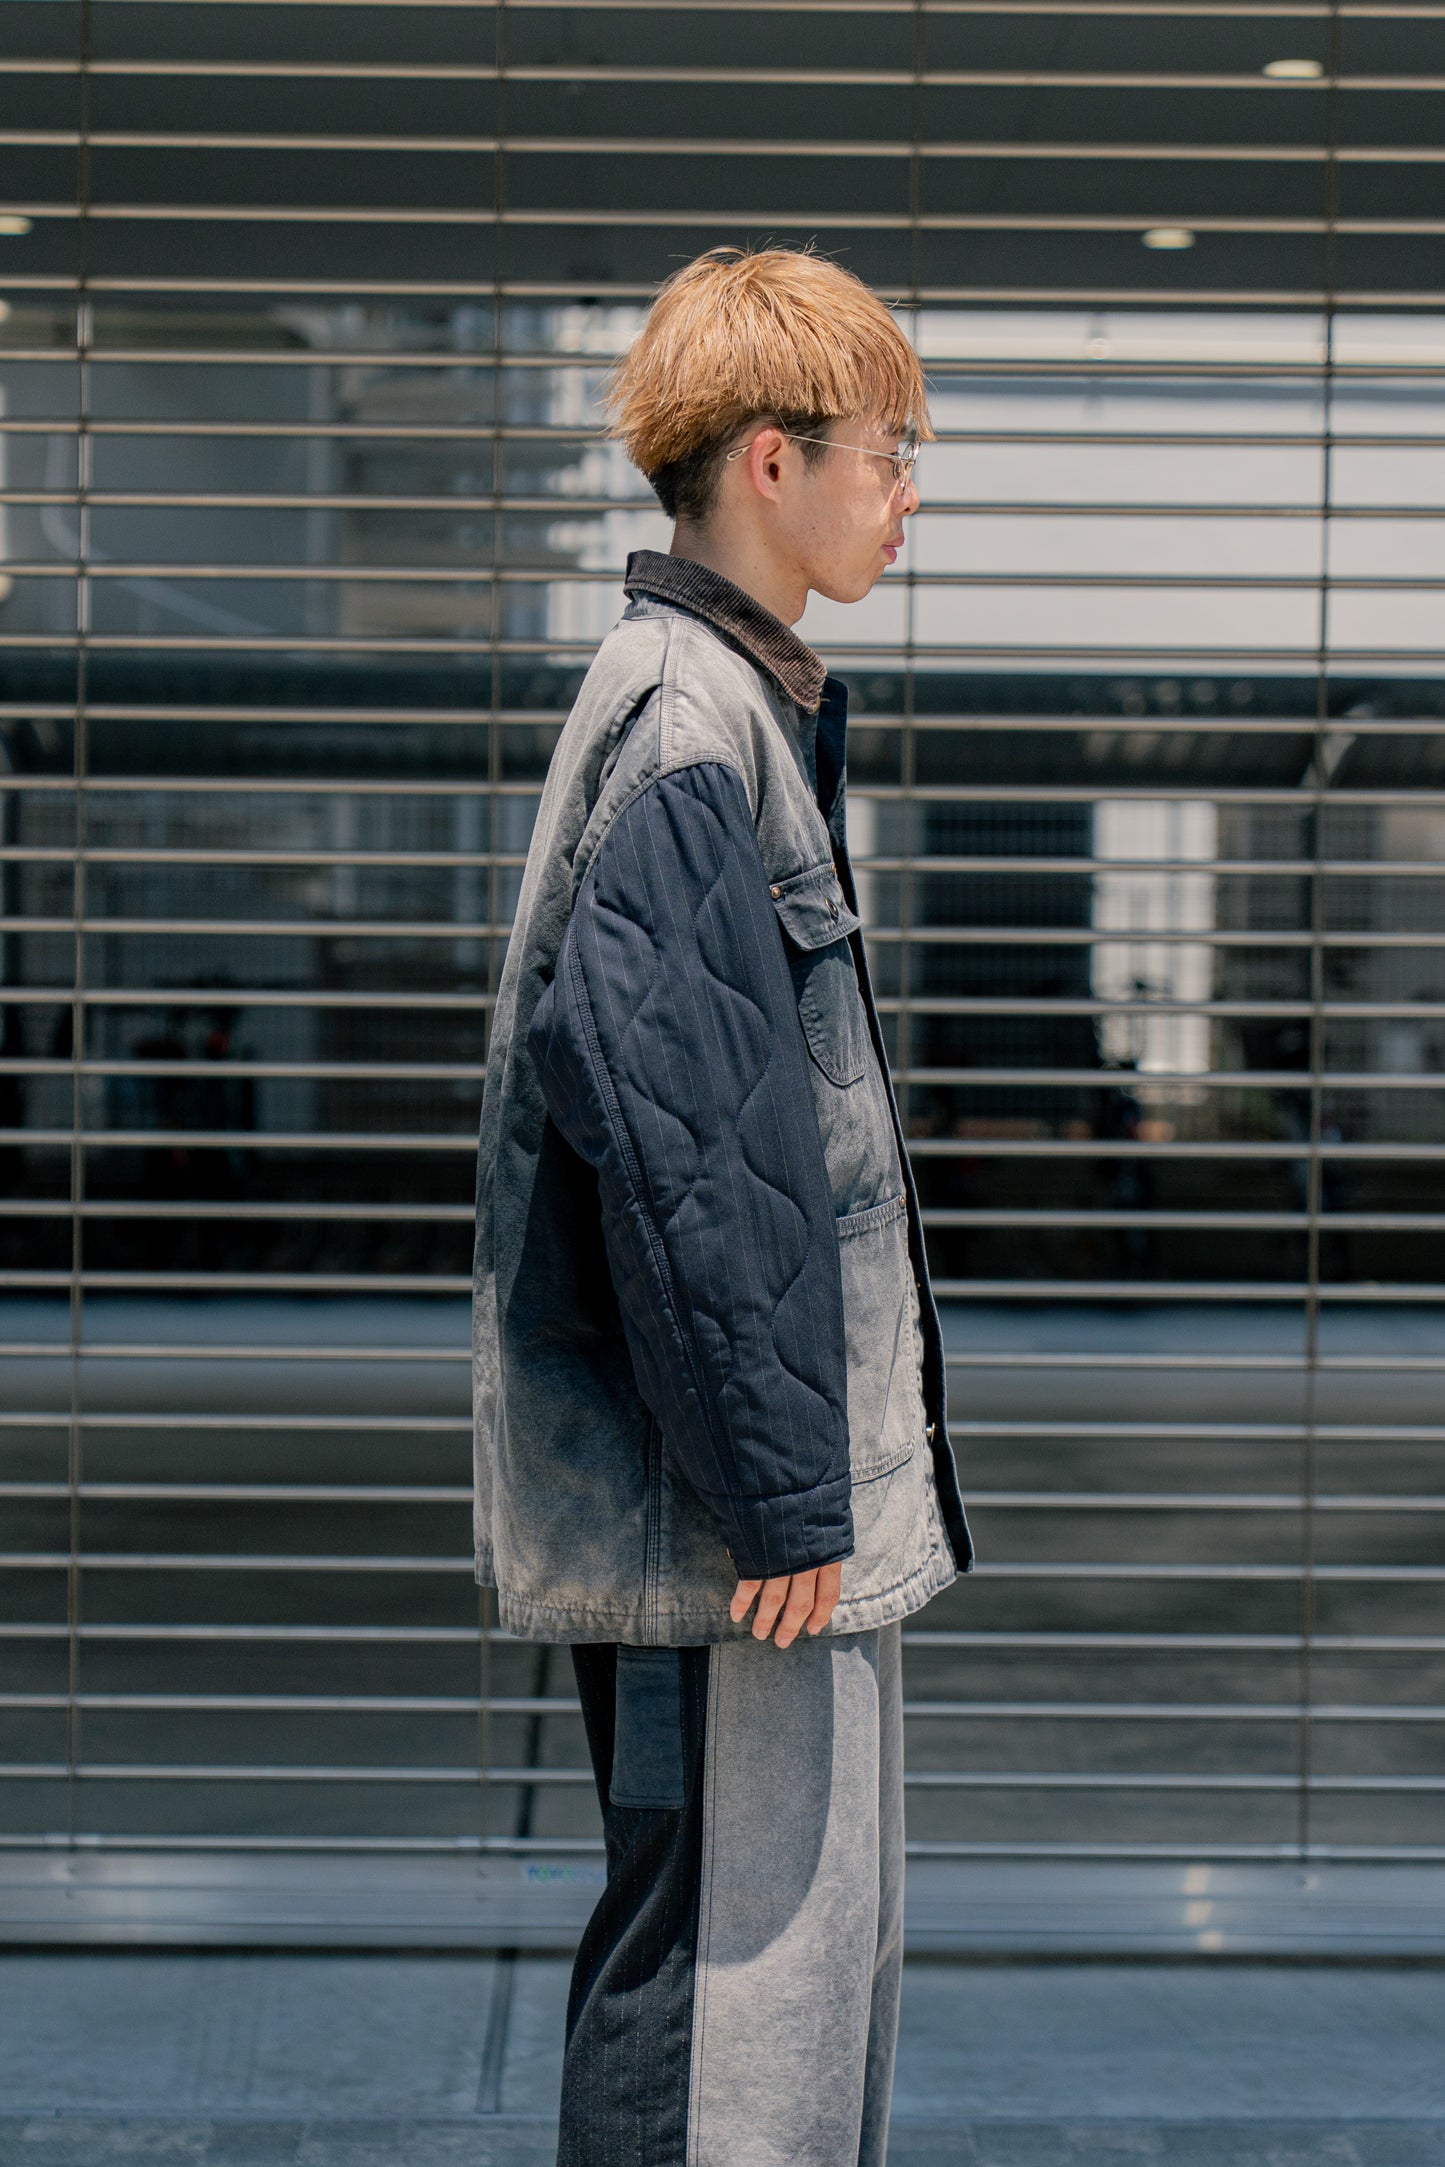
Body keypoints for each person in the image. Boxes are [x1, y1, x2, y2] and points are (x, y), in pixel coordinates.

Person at [471, 244, 973, 2167]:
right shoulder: (690, 727)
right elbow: (691, 1149)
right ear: (773, 459)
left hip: (739, 1507)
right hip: (724, 1532)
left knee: (755, 1976)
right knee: (728, 2009)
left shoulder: (712, 705)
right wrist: (778, 1493)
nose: (907, 492)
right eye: (889, 451)